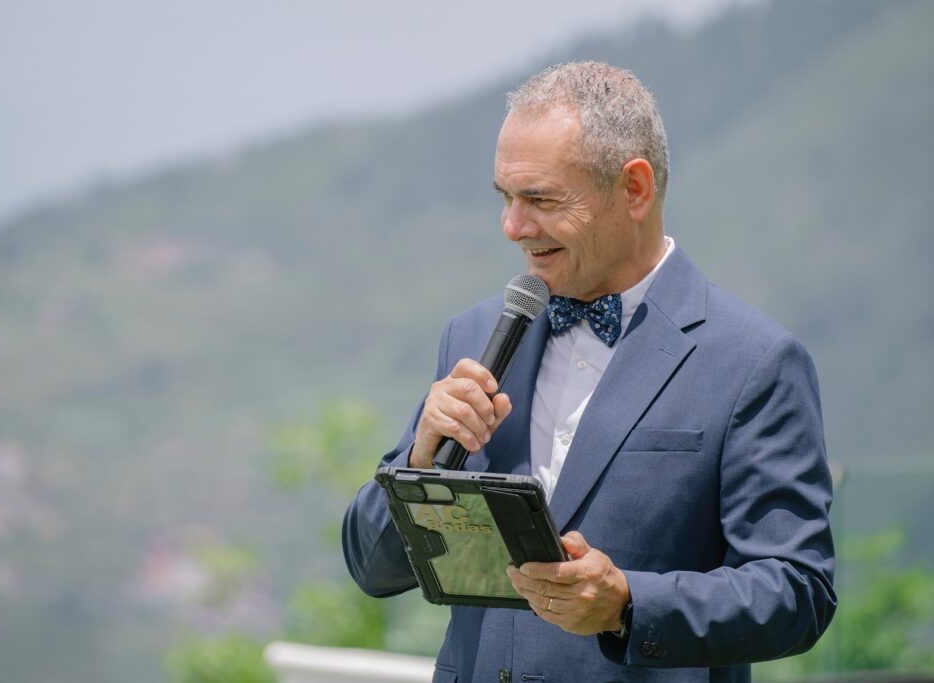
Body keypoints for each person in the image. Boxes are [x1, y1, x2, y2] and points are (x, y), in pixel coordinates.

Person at [343, 61, 836, 683]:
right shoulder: (470, 337)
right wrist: (419, 459)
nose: (513, 226)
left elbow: (798, 591)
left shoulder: (754, 361)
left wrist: (628, 603)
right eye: (506, 197)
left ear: (633, 188)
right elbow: (372, 566)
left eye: (541, 199)